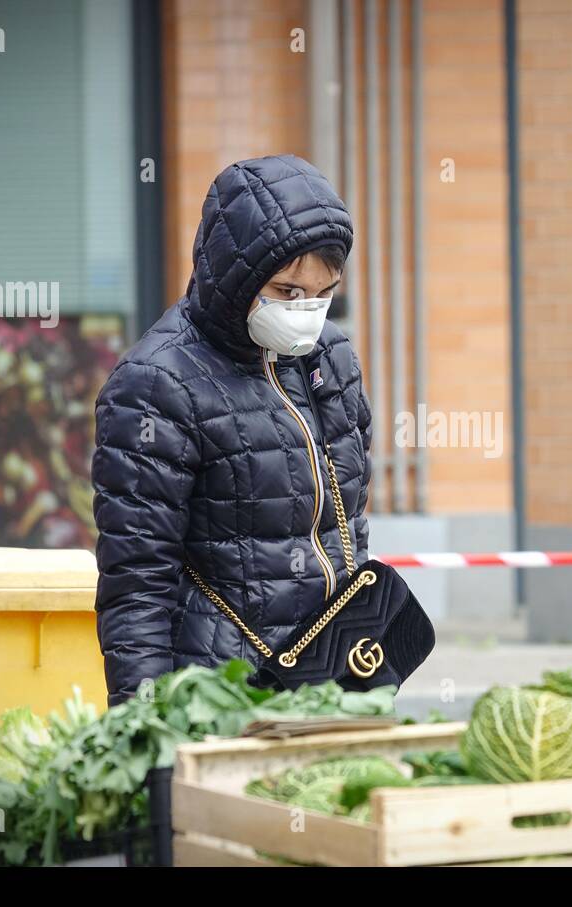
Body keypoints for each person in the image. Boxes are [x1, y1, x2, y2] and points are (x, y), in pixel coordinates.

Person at [91, 155, 371, 706]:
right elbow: (138, 585)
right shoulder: (155, 385)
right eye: (287, 292)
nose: (306, 312)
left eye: (323, 293)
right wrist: (145, 731)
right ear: (236, 276)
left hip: (335, 682)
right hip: (220, 695)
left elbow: (351, 526)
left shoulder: (331, 358)